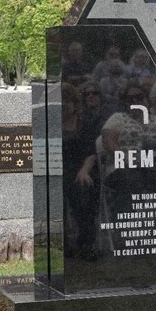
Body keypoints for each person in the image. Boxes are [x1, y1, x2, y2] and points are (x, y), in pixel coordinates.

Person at [61, 83, 98, 260]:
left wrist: (84, 170)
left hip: (81, 168)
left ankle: (86, 243)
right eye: (61, 101)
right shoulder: (50, 124)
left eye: (67, 100)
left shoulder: (85, 124)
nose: (64, 104)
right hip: (57, 170)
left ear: (75, 103)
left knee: (83, 192)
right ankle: (63, 245)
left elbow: (91, 153)